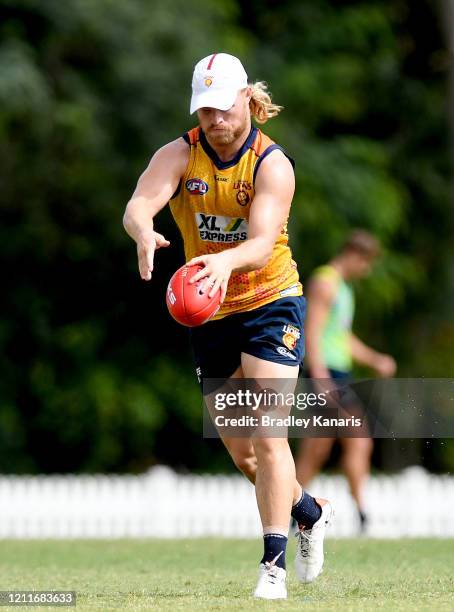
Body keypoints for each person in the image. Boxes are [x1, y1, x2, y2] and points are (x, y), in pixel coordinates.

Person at [123, 53, 333, 600]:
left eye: (223, 107)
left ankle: (273, 567)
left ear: (246, 99)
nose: (215, 120)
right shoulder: (180, 154)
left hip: (269, 301)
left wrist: (223, 262)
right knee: (243, 453)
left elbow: (263, 242)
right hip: (211, 312)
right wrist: (143, 230)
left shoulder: (271, 164)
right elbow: (139, 203)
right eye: (204, 110)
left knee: (268, 435)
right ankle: (308, 510)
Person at [295, 230, 396, 532]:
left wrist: (375, 358)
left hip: (337, 373)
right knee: (359, 440)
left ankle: (295, 509)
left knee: (318, 449)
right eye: (366, 263)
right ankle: (362, 513)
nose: (366, 270)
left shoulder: (344, 289)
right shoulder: (325, 282)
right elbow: (311, 330)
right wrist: (321, 378)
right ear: (354, 254)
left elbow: (342, 337)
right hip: (325, 373)